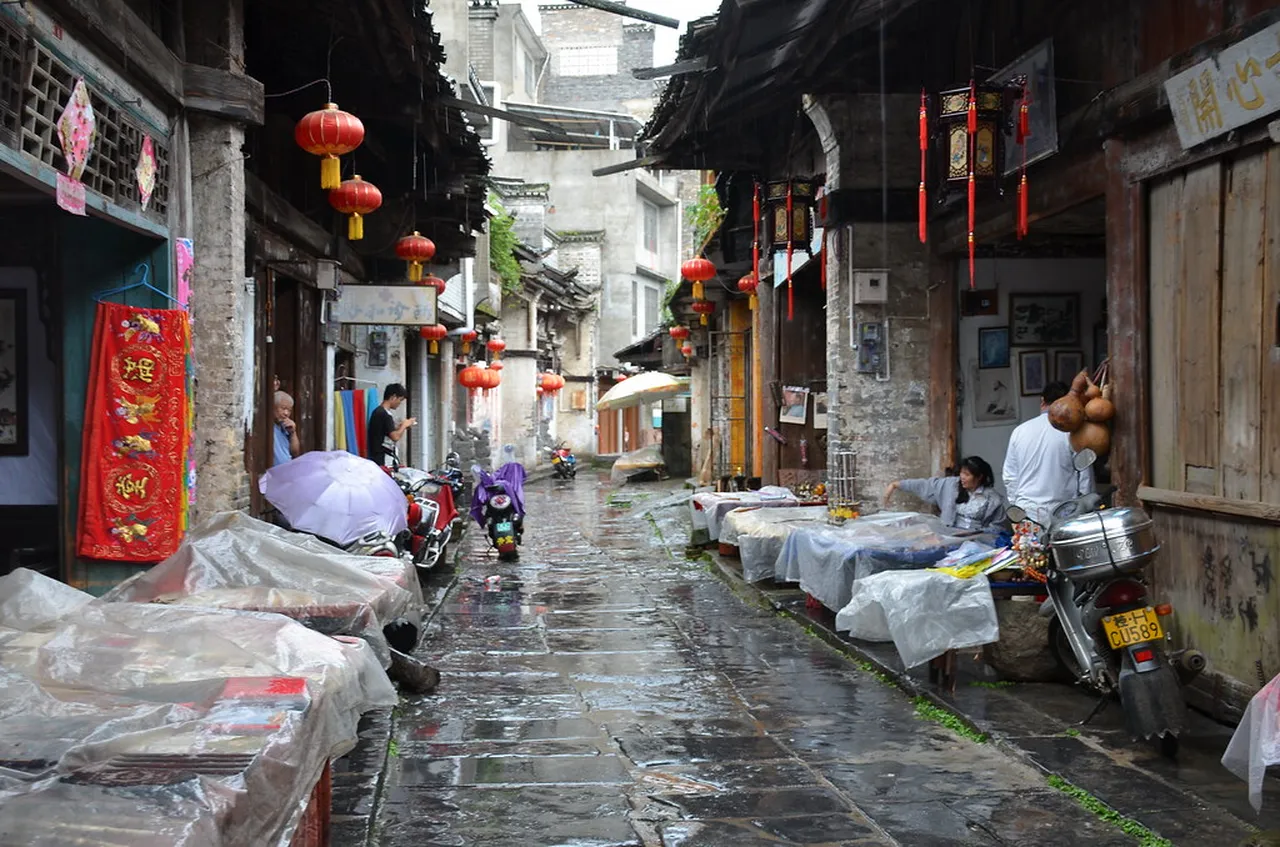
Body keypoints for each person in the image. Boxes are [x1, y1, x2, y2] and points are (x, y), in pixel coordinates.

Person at [1003, 381, 1096, 526]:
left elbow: (1009, 477)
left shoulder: (1019, 431)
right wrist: (1087, 507)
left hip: (1026, 512)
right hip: (1063, 513)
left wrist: (1018, 505)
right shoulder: (1073, 433)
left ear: (1042, 401)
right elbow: (1085, 480)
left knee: (1028, 549)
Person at [883, 456, 1007, 533]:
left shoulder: (993, 499)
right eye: (962, 473)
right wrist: (895, 484)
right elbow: (925, 485)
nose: (962, 477)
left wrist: (977, 534)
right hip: (949, 535)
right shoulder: (951, 485)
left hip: (977, 540)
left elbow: (998, 528)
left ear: (979, 477)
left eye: (967, 475)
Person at [368, 383, 416, 468]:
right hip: (381, 458)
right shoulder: (384, 414)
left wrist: (400, 426)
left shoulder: (378, 411)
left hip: (376, 456)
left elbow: (386, 431)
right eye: (400, 400)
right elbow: (395, 437)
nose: (399, 403)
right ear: (393, 397)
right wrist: (404, 425)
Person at [273, 391, 301, 466]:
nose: (286, 413)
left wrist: (293, 433)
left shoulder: (285, 427)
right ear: (273, 407)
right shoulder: (268, 426)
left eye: (289, 410)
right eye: (283, 408)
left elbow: (295, 453)